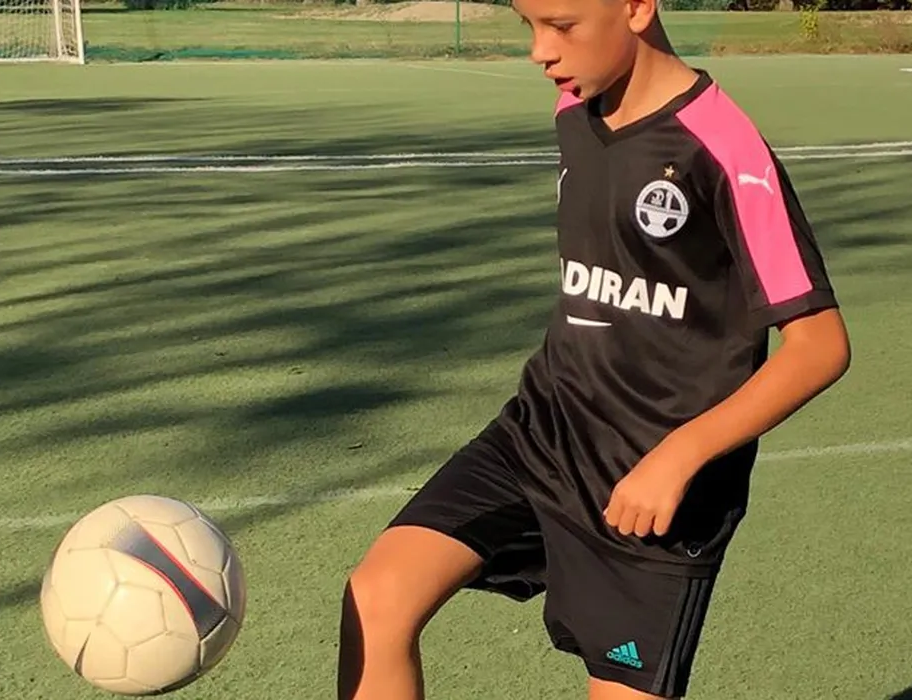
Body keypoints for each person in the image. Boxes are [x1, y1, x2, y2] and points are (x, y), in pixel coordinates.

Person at [336, 0, 852, 695]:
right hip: (541, 435)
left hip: (655, 487)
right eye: (529, 27)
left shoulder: (723, 148)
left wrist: (679, 456)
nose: (539, 51)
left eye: (561, 26)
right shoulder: (573, 110)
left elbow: (820, 346)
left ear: (637, 7)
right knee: (377, 598)